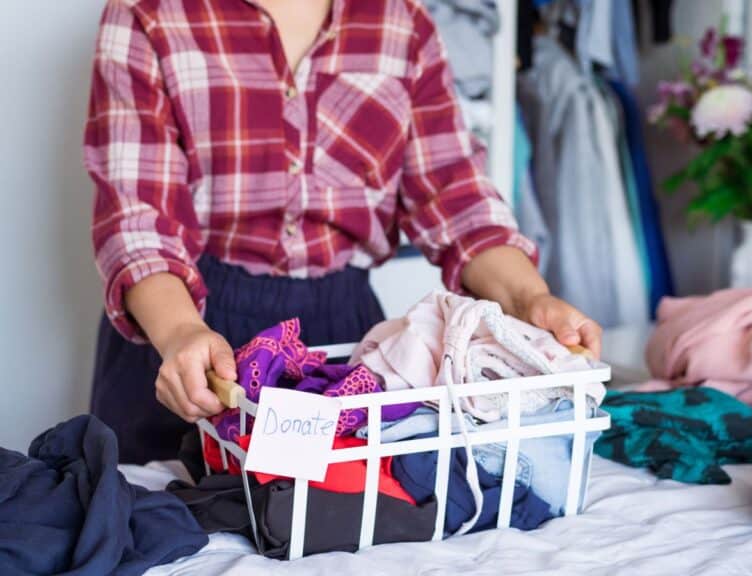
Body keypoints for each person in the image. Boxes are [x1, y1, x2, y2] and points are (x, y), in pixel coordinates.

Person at [85, 0, 601, 464]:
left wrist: (531, 298)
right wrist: (179, 332)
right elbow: (136, 215)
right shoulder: (149, 15)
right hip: (183, 328)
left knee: (340, 538)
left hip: (339, 333)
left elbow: (459, 202)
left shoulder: (402, 25)